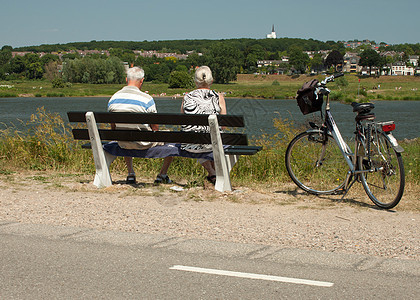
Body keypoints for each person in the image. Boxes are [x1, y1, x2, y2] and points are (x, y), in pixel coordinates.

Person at [107, 66, 173, 184]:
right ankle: (162, 174)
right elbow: (155, 128)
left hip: (123, 143)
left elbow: (113, 128)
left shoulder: (113, 98)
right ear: (141, 81)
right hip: (144, 143)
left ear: (126, 79)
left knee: (125, 133)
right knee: (170, 137)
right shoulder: (147, 99)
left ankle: (130, 173)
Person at [180, 66, 227, 184]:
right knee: (212, 139)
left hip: (191, 144)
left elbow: (182, 121)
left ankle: (212, 173)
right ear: (211, 81)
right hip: (213, 143)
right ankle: (213, 173)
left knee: (196, 138)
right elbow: (224, 125)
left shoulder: (187, 97)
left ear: (196, 81)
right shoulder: (218, 97)